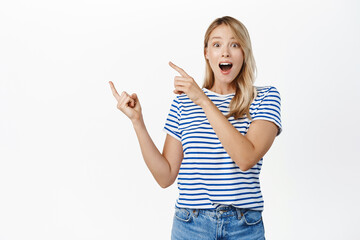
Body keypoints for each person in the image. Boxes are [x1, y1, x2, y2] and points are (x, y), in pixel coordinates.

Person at [109, 16, 281, 240]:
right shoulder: (184, 103)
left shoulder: (265, 98)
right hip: (191, 226)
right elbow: (165, 176)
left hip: (244, 227)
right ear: (206, 53)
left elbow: (245, 158)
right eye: (217, 44)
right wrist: (137, 122)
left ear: (245, 53)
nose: (225, 53)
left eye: (235, 44)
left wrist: (203, 100)